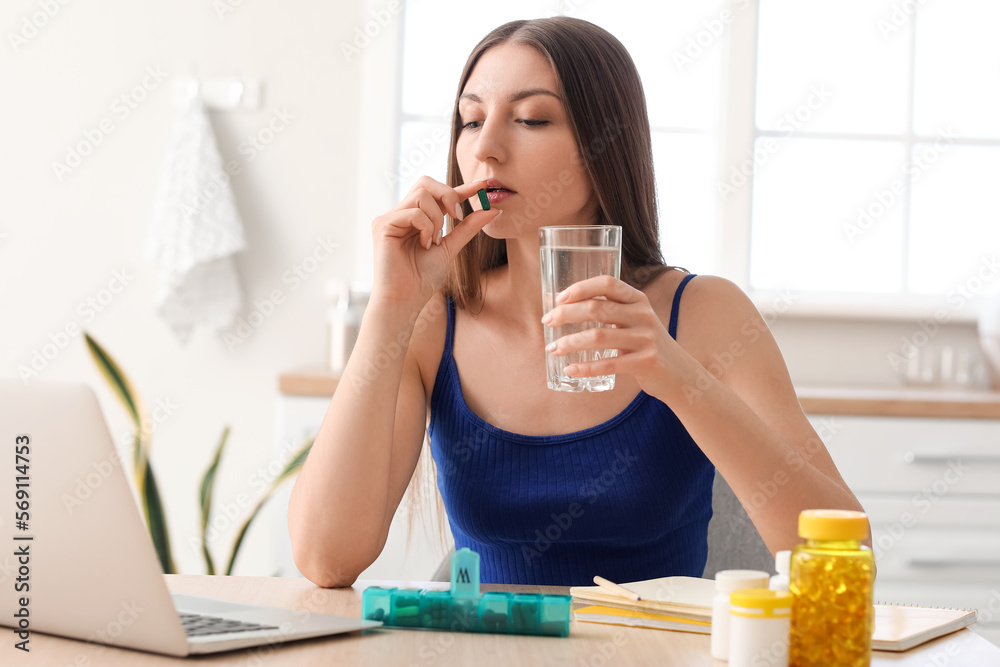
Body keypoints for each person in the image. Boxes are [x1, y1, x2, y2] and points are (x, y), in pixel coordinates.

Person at [288, 17, 865, 587]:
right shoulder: (433, 323)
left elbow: (842, 553)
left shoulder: (707, 313)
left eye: (531, 119)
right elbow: (325, 560)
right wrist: (391, 307)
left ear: (604, 147)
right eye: (470, 120)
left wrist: (674, 374)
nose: (486, 148)